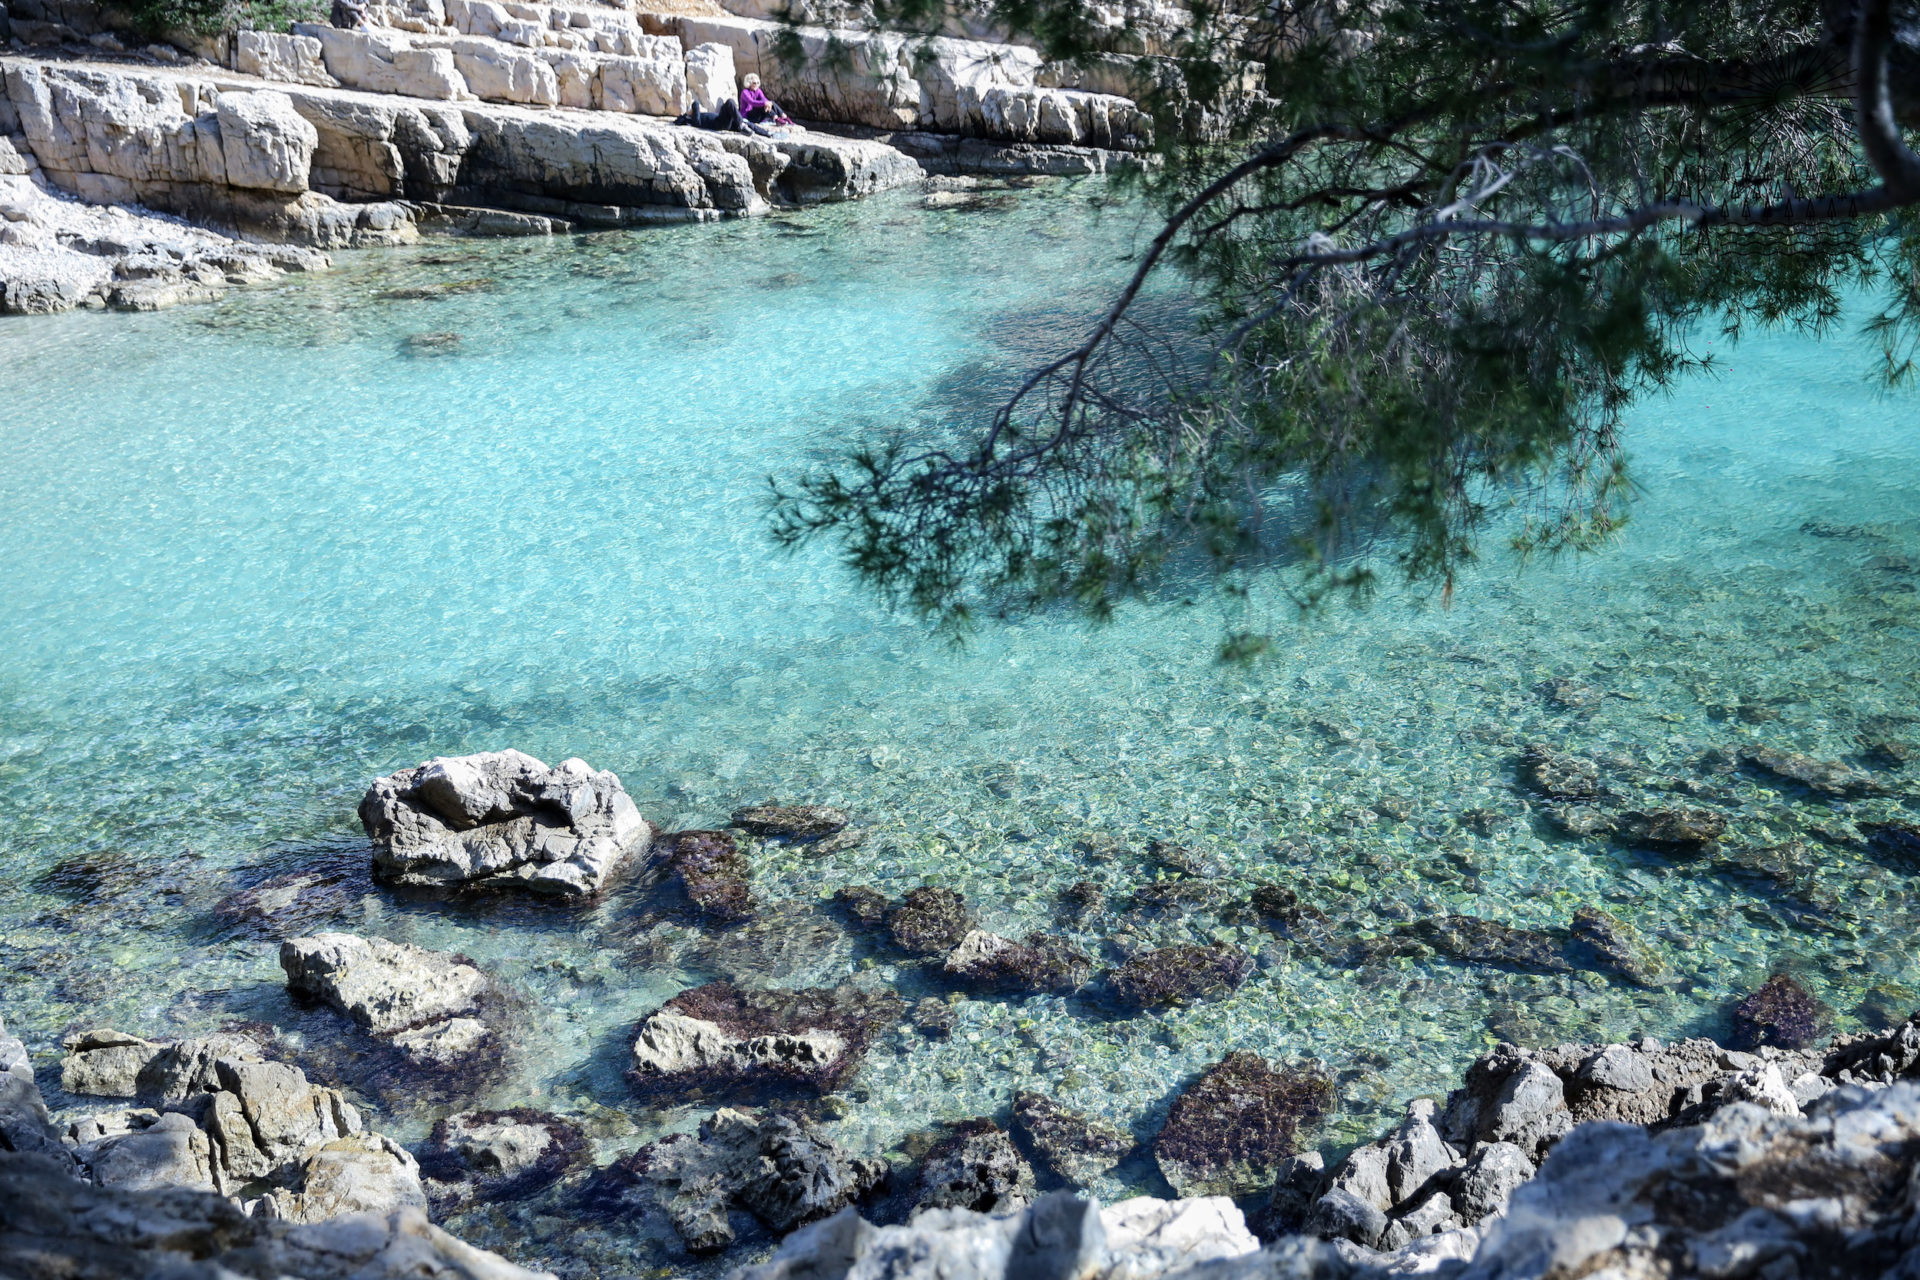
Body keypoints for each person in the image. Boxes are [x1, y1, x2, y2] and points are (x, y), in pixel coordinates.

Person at [672, 97, 766, 135]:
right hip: (719, 124)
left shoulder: (697, 118)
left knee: (747, 123)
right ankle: (741, 125)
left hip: (724, 124)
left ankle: (767, 134)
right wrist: (689, 112)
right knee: (729, 102)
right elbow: (695, 103)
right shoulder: (694, 120)